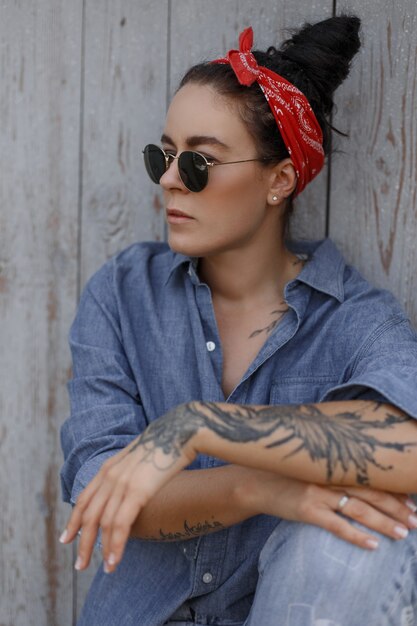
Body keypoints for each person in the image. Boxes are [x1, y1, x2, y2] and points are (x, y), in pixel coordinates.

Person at [60, 15, 417, 626]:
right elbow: (103, 489)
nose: (170, 181)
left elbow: (406, 450)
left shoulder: (354, 319)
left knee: (375, 534)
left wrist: (200, 424)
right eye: (164, 156)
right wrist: (260, 488)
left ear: (279, 180)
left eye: (199, 163)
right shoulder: (124, 293)